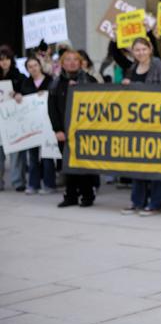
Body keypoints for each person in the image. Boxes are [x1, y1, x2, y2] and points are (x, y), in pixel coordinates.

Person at [117, 37, 161, 215]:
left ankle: (155, 203)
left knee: (156, 164)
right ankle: (137, 201)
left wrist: (134, 85)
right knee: (137, 164)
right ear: (133, 52)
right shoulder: (132, 68)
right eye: (137, 50)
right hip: (136, 123)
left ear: (150, 49)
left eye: (143, 49)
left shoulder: (160, 66)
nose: (140, 53)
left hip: (156, 122)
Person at [50, 50, 98, 208]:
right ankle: (70, 196)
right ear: (62, 63)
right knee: (68, 165)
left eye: (75, 60)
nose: (71, 62)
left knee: (84, 164)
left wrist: (81, 88)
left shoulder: (90, 80)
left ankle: (87, 195)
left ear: (80, 63)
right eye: (68, 60)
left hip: (84, 131)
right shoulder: (56, 83)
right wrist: (57, 130)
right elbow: (52, 109)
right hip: (64, 131)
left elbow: (99, 101)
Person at [17, 56, 54, 194]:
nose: (33, 68)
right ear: (27, 69)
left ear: (40, 66)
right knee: (32, 156)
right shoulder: (26, 83)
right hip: (31, 125)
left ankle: (49, 184)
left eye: (35, 65)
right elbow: (21, 98)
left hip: (48, 123)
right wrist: (18, 96)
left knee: (47, 156)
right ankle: (33, 184)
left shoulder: (50, 80)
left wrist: (47, 93)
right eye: (30, 66)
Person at [0, 44, 26, 192]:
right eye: (1, 59)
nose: (4, 62)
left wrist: (18, 95)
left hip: (14, 120)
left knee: (16, 152)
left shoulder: (19, 77)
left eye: (6, 59)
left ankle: (18, 181)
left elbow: (27, 92)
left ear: (11, 60)